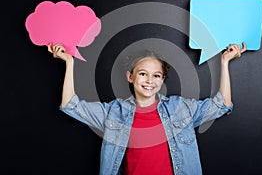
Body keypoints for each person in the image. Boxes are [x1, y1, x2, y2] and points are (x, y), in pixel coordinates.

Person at [48, 42, 246, 175]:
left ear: (162, 79)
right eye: (143, 74)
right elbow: (70, 106)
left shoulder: (180, 108)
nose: (150, 81)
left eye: (156, 75)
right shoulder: (114, 112)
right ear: (130, 77)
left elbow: (221, 105)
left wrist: (224, 62)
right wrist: (69, 62)